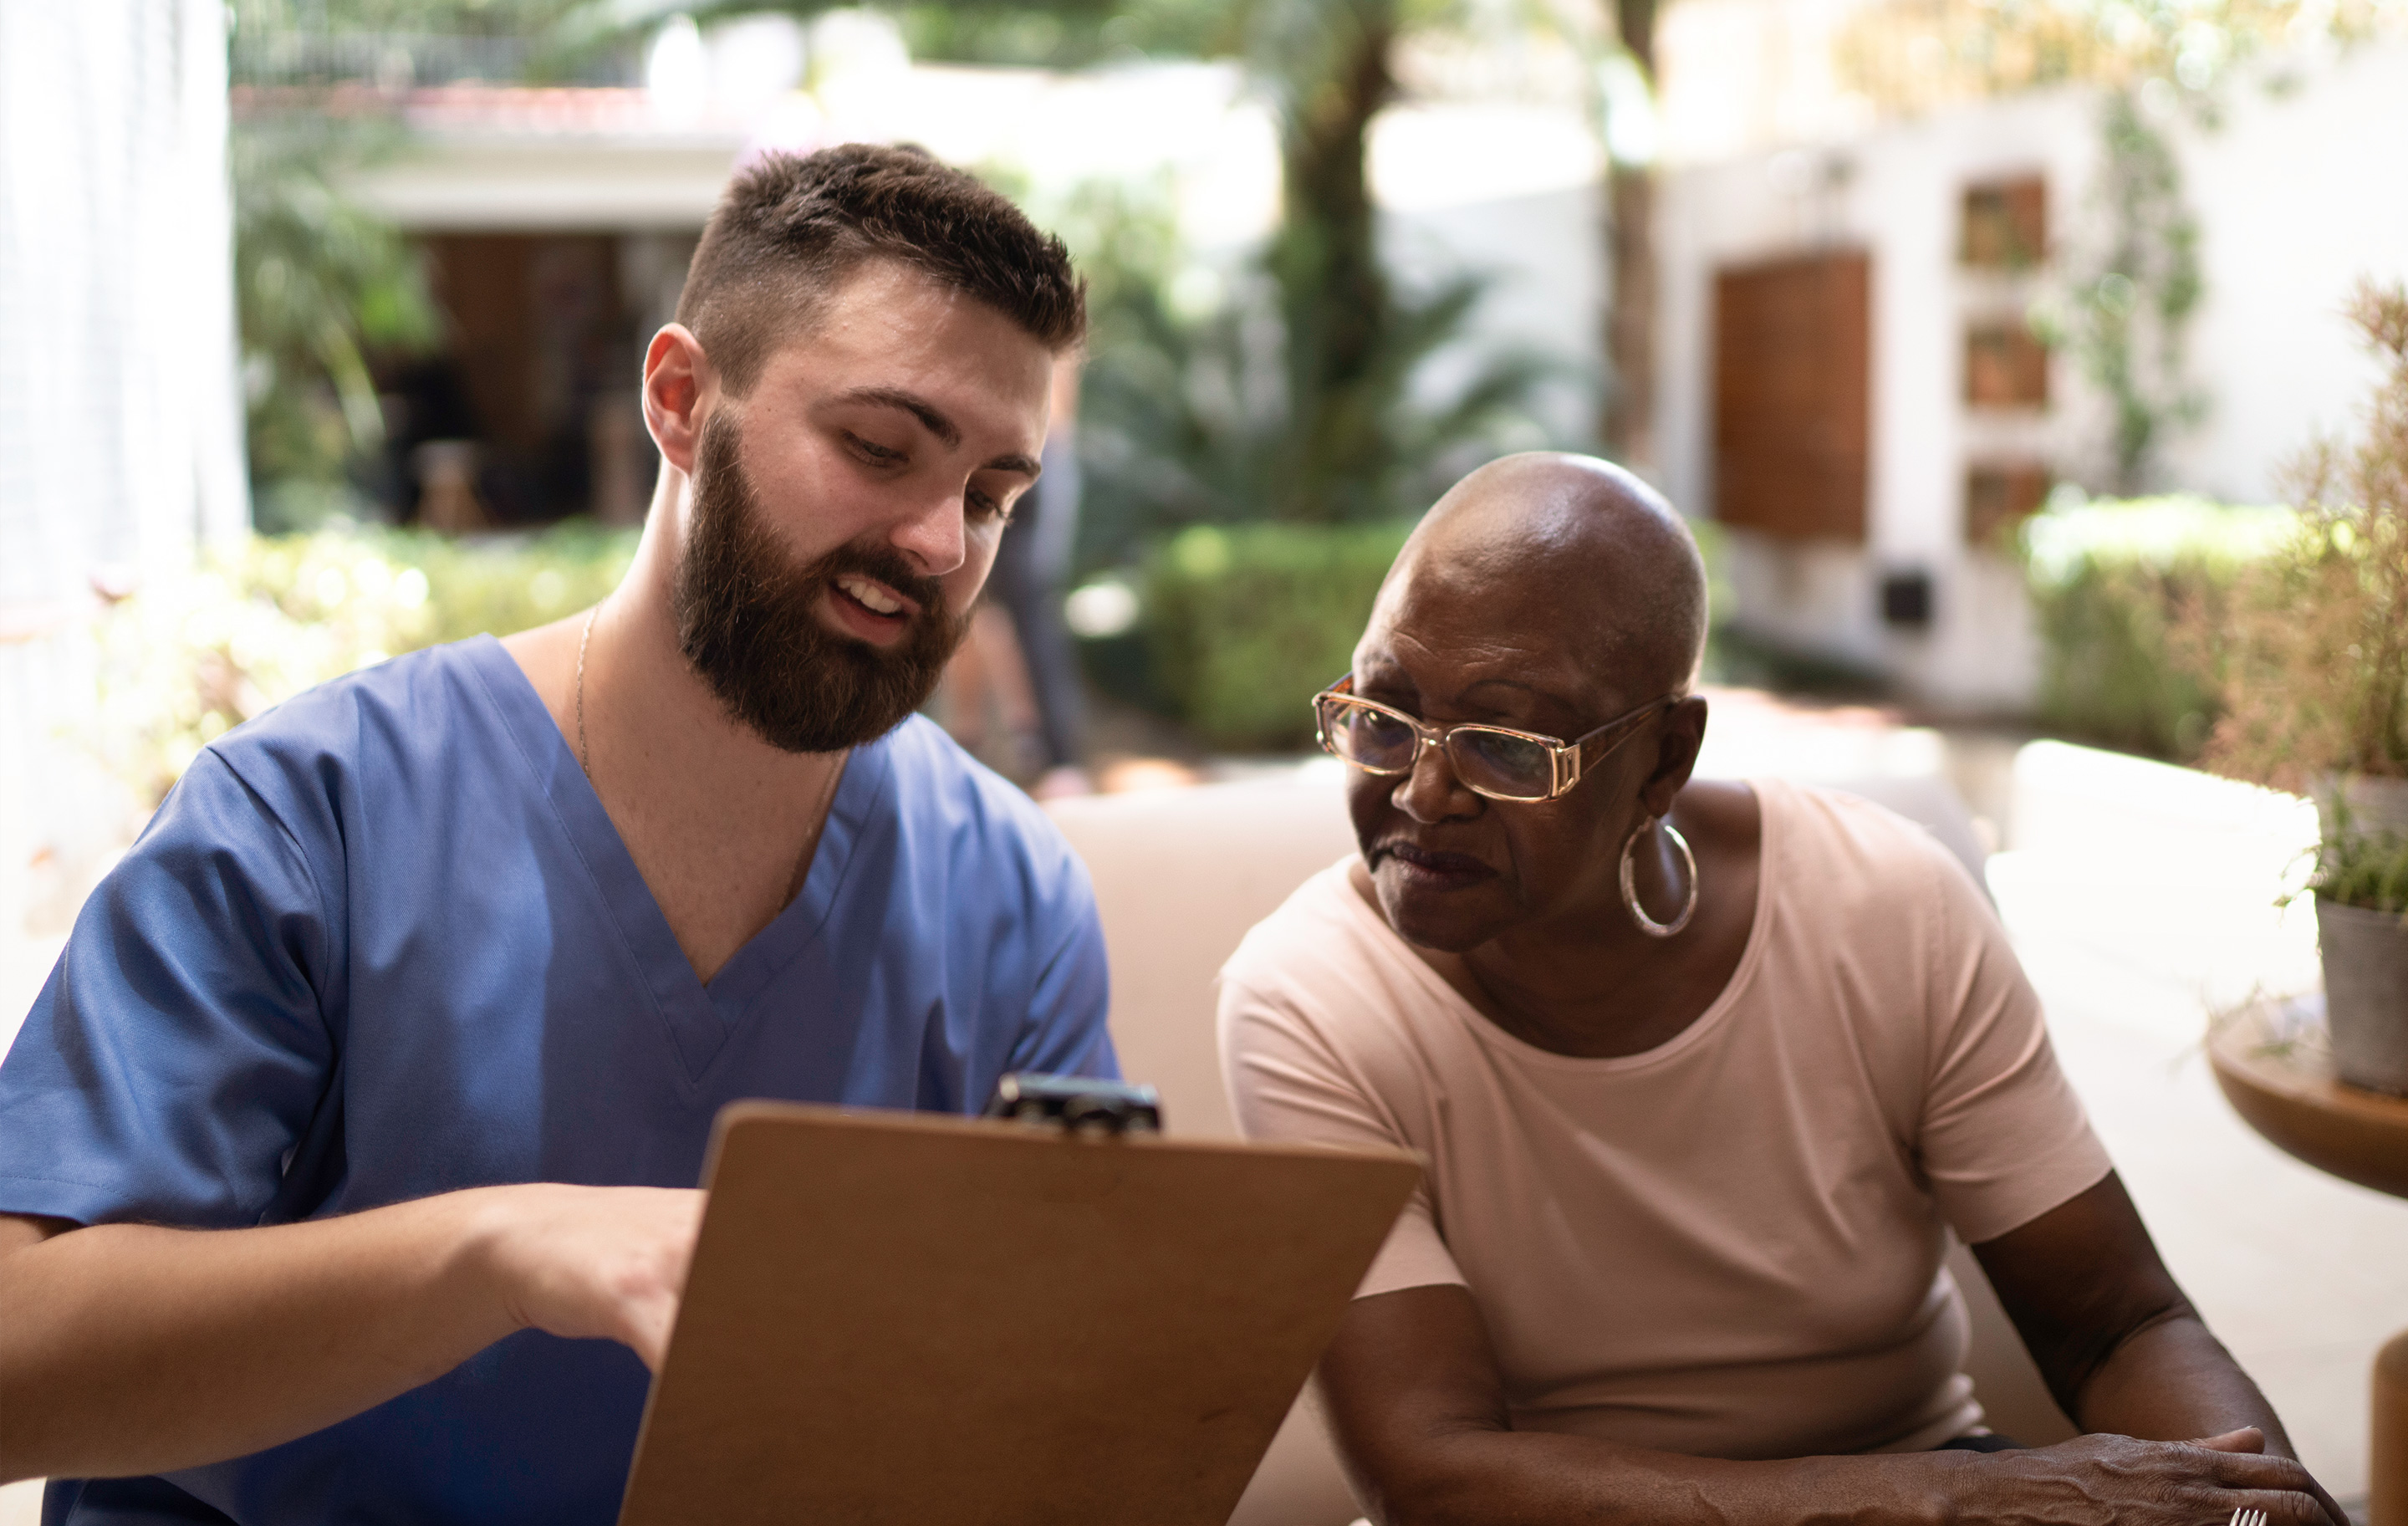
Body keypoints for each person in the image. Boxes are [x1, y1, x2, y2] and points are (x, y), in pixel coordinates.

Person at [0, 144, 1115, 1523]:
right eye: (880, 449)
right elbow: (18, 1363)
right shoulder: (310, 817)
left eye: (996, 496)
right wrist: (504, 1250)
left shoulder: (1012, 896)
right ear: (680, 400)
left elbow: (1073, 1384)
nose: (943, 540)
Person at [1217, 452, 2345, 1526]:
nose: (1423, 789)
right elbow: (1436, 1476)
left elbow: (2119, 1322)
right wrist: (1937, 1505)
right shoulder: (1311, 998)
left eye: (1507, 743)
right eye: (1383, 712)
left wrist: (2246, 1508)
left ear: (1663, 759)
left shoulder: (1880, 904)